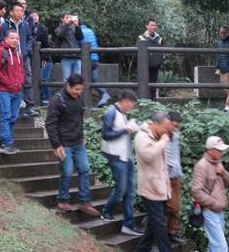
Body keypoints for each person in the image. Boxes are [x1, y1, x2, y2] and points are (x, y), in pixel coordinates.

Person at [45, 74, 100, 216]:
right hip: (64, 144)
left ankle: (84, 201)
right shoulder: (57, 100)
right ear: (68, 85)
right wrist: (56, 145)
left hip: (78, 142)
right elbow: (50, 124)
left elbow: (79, 120)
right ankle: (62, 199)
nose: (78, 92)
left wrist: (82, 136)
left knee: (85, 169)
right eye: (76, 89)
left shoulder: (79, 99)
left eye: (80, 89)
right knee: (67, 171)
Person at [100, 89, 143, 236]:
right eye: (132, 105)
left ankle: (128, 224)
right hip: (116, 156)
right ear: (125, 102)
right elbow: (106, 135)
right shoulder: (111, 112)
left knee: (130, 191)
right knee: (121, 189)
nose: (132, 108)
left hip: (126, 156)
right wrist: (126, 130)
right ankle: (106, 211)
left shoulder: (122, 113)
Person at [134, 111, 174, 252]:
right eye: (165, 128)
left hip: (161, 187)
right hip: (150, 188)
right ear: (155, 124)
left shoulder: (158, 136)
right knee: (159, 223)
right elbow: (148, 155)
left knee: (153, 224)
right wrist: (163, 141)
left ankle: (142, 249)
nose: (166, 131)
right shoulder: (141, 136)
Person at [191, 136, 229, 252]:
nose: (221, 152)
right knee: (220, 247)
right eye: (219, 150)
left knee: (214, 246)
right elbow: (196, 191)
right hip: (209, 211)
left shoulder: (218, 163)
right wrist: (214, 204)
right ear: (210, 150)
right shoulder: (201, 166)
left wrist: (223, 172)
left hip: (219, 211)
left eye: (222, 150)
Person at [0, 30, 24, 155]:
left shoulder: (18, 53)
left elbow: (21, 70)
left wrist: (20, 83)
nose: (15, 40)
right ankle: (6, 143)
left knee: (13, 117)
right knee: (6, 115)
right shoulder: (0, 51)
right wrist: (7, 82)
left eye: (17, 38)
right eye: (12, 38)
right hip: (3, 90)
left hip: (17, 91)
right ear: (6, 39)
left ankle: (7, 141)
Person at [0, 2, 36, 117]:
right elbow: (1, 41)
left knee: (27, 80)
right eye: (18, 10)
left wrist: (27, 49)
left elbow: (30, 38)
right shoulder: (5, 25)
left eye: (22, 11)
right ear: (11, 12)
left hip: (23, 57)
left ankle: (29, 106)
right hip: (10, 57)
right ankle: (14, 105)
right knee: (13, 80)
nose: (20, 13)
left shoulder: (24, 24)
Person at [80, 20, 111, 107]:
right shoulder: (90, 31)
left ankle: (83, 102)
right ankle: (104, 94)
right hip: (95, 58)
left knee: (82, 80)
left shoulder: (79, 32)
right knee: (95, 79)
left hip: (86, 59)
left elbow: (78, 43)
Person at [165, 111, 184, 245]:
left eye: (177, 126)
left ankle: (171, 233)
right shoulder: (161, 136)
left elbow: (176, 156)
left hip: (176, 176)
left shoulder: (176, 137)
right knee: (169, 207)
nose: (175, 128)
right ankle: (157, 231)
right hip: (164, 177)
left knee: (176, 208)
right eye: (173, 125)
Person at [138, 18, 163, 100]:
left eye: (155, 25)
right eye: (151, 25)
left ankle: (152, 102)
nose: (153, 27)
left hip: (155, 66)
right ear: (147, 26)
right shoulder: (141, 38)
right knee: (144, 86)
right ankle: (144, 103)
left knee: (153, 86)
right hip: (144, 67)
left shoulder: (159, 38)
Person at [31, 11, 53, 104]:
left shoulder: (43, 28)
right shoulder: (28, 28)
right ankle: (38, 99)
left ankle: (46, 99)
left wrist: (45, 58)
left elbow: (46, 44)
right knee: (35, 79)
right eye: (33, 16)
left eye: (36, 15)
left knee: (44, 78)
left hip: (44, 57)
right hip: (33, 57)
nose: (35, 17)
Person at [55, 12, 83, 82]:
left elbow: (80, 37)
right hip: (66, 57)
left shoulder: (73, 28)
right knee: (66, 79)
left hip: (76, 57)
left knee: (78, 79)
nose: (69, 19)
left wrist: (77, 26)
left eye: (69, 17)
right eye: (66, 17)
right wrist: (67, 24)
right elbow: (60, 35)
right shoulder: (58, 29)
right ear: (62, 19)